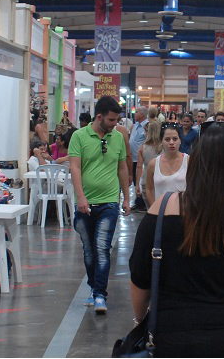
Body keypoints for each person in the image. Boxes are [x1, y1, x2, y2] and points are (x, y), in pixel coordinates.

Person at [130, 124, 224, 357]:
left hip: (173, 336)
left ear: (197, 162)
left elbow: (140, 277)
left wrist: (140, 320)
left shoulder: (161, 210)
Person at [68, 96, 130, 314]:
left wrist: (127, 197)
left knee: (102, 248)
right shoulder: (79, 136)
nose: (115, 124)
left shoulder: (119, 137)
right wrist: (81, 197)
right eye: (112, 120)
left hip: (109, 203)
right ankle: (94, 288)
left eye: (117, 120)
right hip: (85, 204)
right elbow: (75, 167)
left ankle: (100, 295)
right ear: (100, 116)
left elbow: (122, 168)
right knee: (89, 250)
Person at [146, 123, 188, 202]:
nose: (171, 143)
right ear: (161, 141)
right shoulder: (153, 164)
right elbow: (149, 189)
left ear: (180, 140)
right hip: (160, 211)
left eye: (175, 139)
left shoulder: (189, 161)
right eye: (167, 139)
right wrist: (154, 209)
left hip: (183, 210)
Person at [136, 120, 162, 208]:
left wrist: (137, 185)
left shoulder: (142, 148)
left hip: (146, 180)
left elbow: (139, 167)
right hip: (161, 179)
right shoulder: (164, 147)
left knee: (150, 209)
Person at [129, 107, 149, 212]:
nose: (134, 114)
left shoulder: (147, 126)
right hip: (132, 158)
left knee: (141, 181)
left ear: (142, 114)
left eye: (136, 112)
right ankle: (138, 201)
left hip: (141, 158)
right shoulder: (135, 125)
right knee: (135, 181)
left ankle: (143, 202)